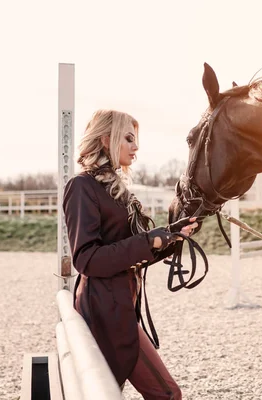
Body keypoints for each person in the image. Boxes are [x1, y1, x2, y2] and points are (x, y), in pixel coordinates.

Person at [63, 109, 197, 399]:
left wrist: (172, 237)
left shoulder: (114, 189)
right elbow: (87, 259)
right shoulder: (81, 186)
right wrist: (152, 240)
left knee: (108, 392)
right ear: (105, 138)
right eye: (128, 139)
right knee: (167, 394)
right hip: (105, 310)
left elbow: (131, 250)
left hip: (120, 306)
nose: (135, 147)